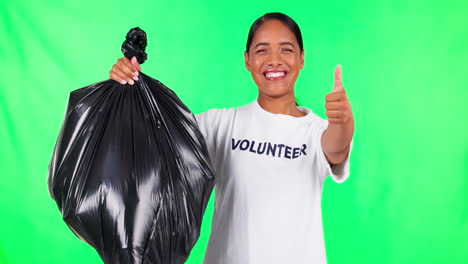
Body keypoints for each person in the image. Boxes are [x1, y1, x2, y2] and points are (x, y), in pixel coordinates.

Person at [109, 12, 354, 264]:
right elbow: (155, 138)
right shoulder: (221, 125)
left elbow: (335, 147)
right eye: (262, 51)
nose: (274, 60)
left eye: (286, 50)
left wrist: (344, 121)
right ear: (247, 60)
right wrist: (128, 85)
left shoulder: (315, 131)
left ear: (301, 58)